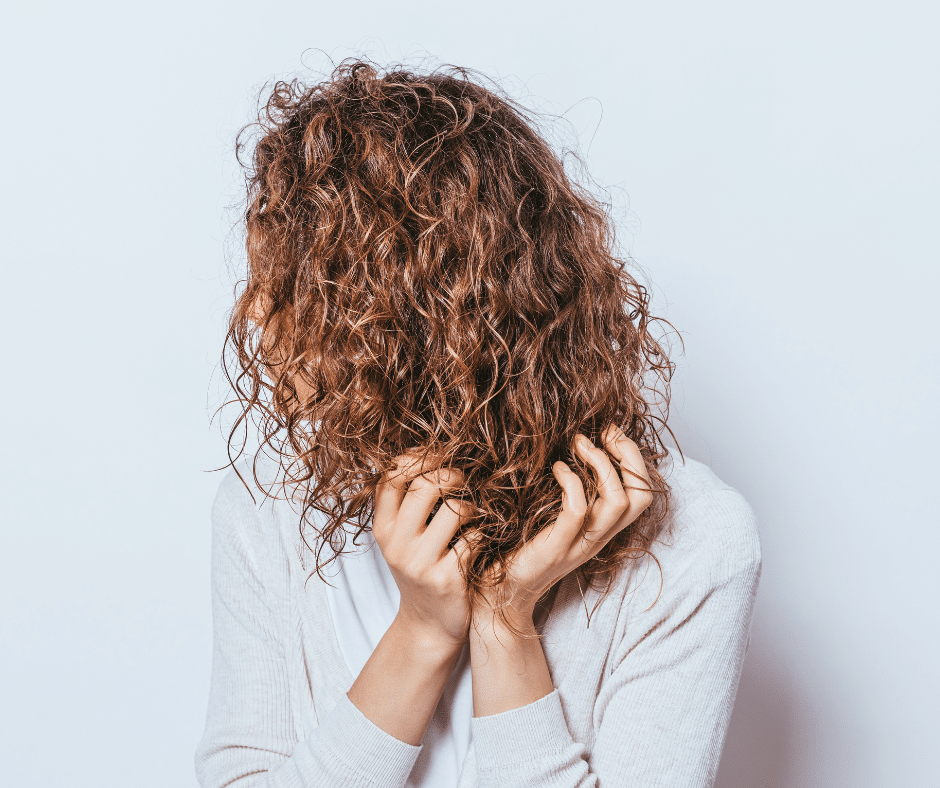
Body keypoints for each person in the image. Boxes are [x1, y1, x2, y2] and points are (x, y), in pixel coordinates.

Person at [195, 60, 761, 788]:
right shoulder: (266, 503)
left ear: (419, 316)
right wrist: (422, 631)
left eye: (295, 292)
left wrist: (506, 623)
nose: (251, 317)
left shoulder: (696, 545)